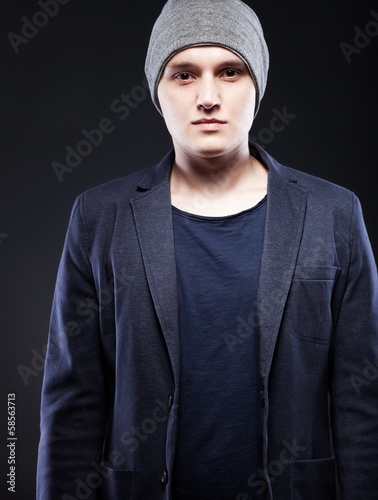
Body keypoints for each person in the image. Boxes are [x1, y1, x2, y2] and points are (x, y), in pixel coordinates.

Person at [36, 0, 378, 498]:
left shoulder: (334, 212)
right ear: (158, 89)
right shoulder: (98, 216)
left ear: (256, 85)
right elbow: (71, 401)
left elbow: (362, 400)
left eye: (230, 71)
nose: (209, 97)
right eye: (184, 75)